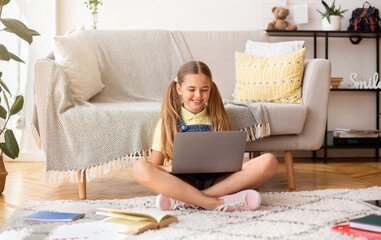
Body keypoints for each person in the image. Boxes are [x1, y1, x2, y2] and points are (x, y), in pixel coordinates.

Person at [132, 61, 278, 212]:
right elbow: (155, 166)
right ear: (179, 89)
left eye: (204, 90)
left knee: (270, 161)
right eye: (191, 89)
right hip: (181, 181)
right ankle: (215, 203)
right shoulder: (167, 122)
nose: (198, 95)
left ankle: (191, 200)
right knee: (139, 167)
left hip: (217, 181)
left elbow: (230, 160)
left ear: (211, 89)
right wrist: (170, 168)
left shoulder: (219, 118)